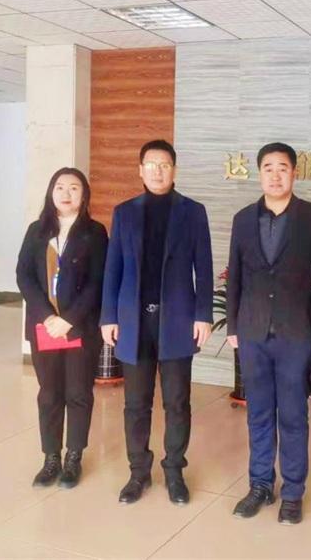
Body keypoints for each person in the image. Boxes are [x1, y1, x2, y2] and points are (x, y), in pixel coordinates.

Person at [226, 142, 311, 525]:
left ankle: (293, 492)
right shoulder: (243, 219)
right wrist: (233, 326)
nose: (275, 175)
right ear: (259, 173)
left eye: (282, 168)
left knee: (293, 415)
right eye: (268, 168)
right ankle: (260, 484)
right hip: (253, 332)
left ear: (294, 172)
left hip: (296, 334)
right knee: (258, 413)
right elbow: (235, 274)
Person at [100, 139, 213, 505]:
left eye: (164, 164)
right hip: (134, 322)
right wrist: (108, 316)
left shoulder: (193, 212)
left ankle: (174, 471)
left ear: (174, 170)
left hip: (178, 320)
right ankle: (138, 472)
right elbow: (113, 268)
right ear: (140, 170)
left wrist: (203, 315)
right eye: (151, 164)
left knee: (177, 402)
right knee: (136, 403)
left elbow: (204, 268)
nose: (158, 171)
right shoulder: (124, 213)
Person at [17, 167, 108, 489]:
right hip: (44, 328)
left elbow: (98, 281)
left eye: (74, 188)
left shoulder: (95, 232)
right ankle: (51, 458)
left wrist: (69, 319)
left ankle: (73, 457)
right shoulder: (36, 231)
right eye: (60, 187)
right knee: (49, 394)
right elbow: (24, 276)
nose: (66, 193)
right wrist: (46, 316)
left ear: (84, 195)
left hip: (79, 327)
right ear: (51, 192)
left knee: (79, 393)